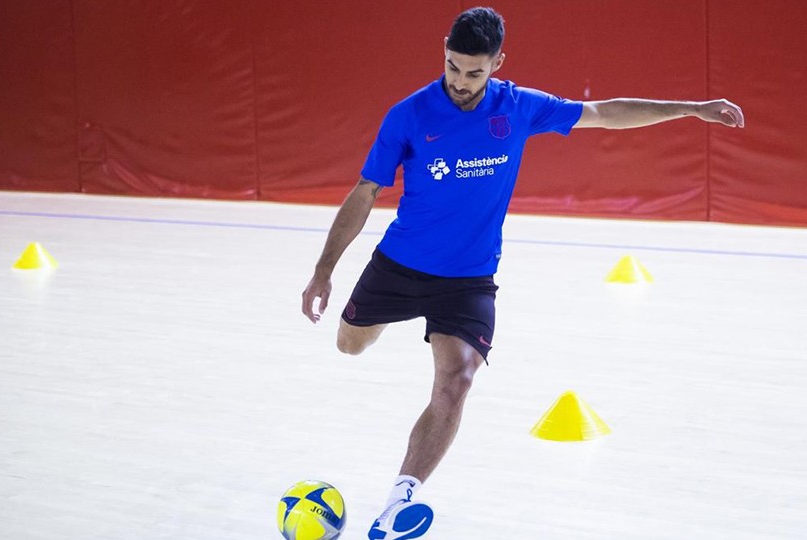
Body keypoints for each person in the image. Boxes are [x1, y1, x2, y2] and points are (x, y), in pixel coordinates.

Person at [301, 7, 744, 539]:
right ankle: (373, 325)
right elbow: (366, 192)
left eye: (474, 72)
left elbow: (605, 112)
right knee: (349, 345)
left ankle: (399, 505)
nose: (461, 82)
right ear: (443, 50)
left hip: (468, 278)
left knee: (457, 379)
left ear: (498, 64)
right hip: (400, 265)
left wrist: (693, 109)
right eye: (452, 67)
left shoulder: (519, 107)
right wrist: (324, 271)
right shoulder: (409, 115)